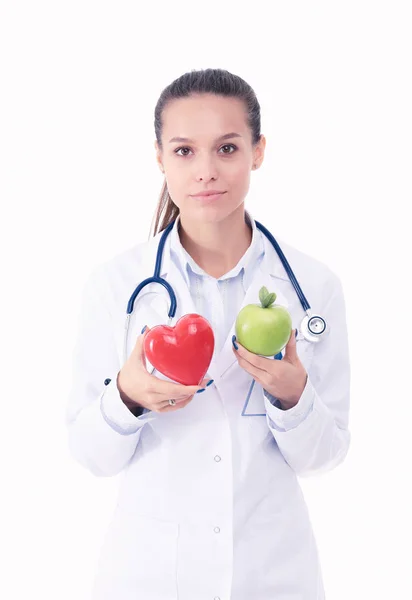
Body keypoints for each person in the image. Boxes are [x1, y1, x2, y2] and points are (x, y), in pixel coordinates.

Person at [66, 68, 351, 600]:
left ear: (257, 152)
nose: (205, 171)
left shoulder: (312, 286)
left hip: (272, 572)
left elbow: (325, 456)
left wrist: (292, 397)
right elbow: (89, 454)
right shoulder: (116, 284)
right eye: (183, 151)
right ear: (159, 158)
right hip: (152, 574)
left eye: (226, 147)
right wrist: (126, 397)